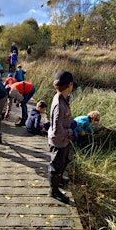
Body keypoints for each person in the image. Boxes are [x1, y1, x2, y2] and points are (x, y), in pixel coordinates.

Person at [47, 70, 75, 203]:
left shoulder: (62, 97)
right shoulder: (59, 104)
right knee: (55, 166)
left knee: (64, 161)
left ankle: (59, 179)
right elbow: (57, 129)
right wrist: (70, 132)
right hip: (58, 140)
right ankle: (54, 190)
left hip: (63, 140)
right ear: (70, 85)